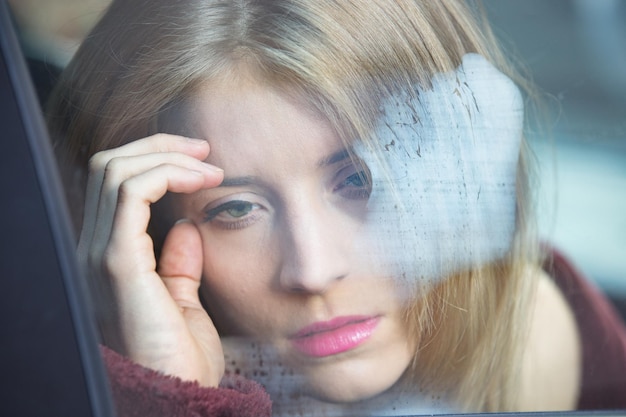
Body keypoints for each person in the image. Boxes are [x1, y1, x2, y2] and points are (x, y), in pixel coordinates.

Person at [45, 0, 626, 416]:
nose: (313, 269)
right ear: (150, 237)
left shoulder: (537, 337)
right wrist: (167, 393)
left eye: (360, 179)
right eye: (237, 209)